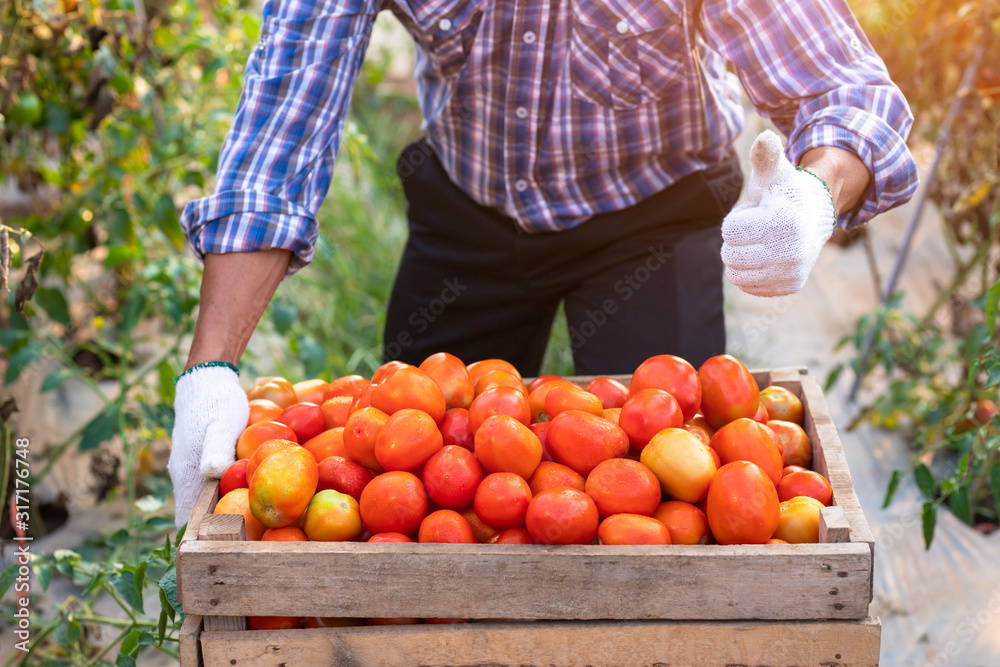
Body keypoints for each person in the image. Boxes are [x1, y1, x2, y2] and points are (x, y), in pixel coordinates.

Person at [168, 0, 918, 524]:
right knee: (410, 487)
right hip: (471, 210)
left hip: (653, 210)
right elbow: (281, 130)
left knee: (669, 496)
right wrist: (209, 371)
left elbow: (843, 89)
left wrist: (811, 199)